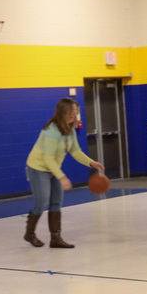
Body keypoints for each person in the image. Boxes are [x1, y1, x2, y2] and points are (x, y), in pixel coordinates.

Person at [23, 97, 104, 249]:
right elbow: (48, 158)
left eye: (76, 110)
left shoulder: (70, 130)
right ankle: (30, 233)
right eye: (72, 110)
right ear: (63, 111)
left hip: (52, 168)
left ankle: (56, 238)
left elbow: (75, 151)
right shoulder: (51, 131)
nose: (75, 113)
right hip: (38, 168)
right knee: (42, 201)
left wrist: (91, 162)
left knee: (57, 201)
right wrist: (62, 177)